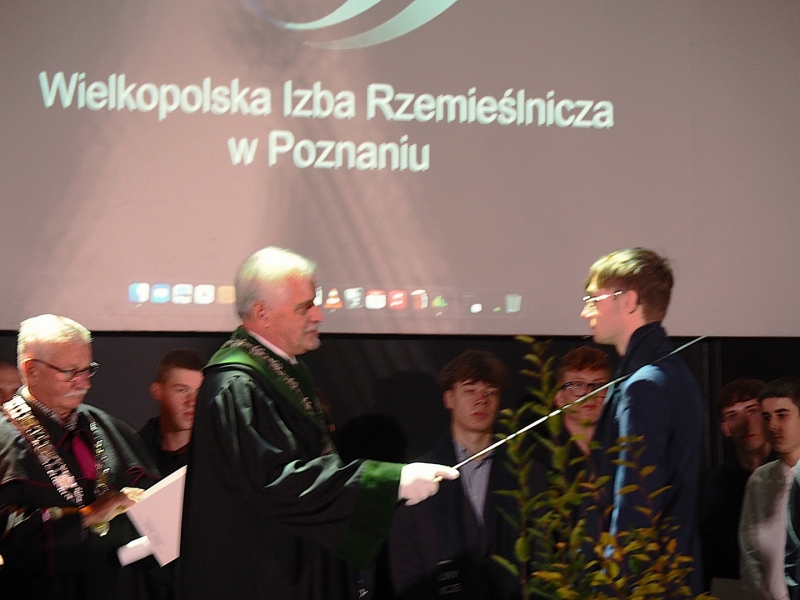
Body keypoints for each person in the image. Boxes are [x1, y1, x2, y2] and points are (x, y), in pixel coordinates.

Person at [178, 246, 459, 600]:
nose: (319, 315)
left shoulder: (279, 371)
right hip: (262, 578)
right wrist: (390, 483)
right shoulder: (237, 386)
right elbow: (279, 482)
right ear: (262, 314)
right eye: (305, 307)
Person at [0, 314, 159, 600]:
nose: (84, 383)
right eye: (70, 372)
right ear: (31, 370)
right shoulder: (4, 438)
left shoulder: (109, 426)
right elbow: (9, 535)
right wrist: (87, 516)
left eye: (88, 370)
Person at [579, 247, 704, 593]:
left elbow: (635, 506)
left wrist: (611, 587)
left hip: (645, 584)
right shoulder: (673, 374)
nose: (585, 311)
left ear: (628, 300)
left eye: (593, 299)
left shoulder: (644, 385)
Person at [389, 350, 545, 600]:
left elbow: (543, 554)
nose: (481, 400)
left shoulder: (528, 472)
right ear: (449, 398)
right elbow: (405, 562)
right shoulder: (418, 476)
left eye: (490, 392)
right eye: (470, 391)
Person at [699, 378, 772, 588]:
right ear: (725, 428)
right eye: (733, 415)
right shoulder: (711, 485)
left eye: (752, 410)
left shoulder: (790, 475)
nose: (746, 423)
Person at [739, 377, 800, 600]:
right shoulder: (761, 481)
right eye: (766, 417)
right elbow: (750, 554)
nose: (772, 425)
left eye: (782, 415)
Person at [138, 348, 205, 476]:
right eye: (182, 390)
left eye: (199, 392)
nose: (192, 401)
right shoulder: (132, 453)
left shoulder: (218, 456)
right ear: (157, 392)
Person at [554, 346, 611, 455]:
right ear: (559, 398)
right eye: (578, 385)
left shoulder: (625, 446)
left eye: (599, 386)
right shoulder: (539, 452)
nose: (589, 394)